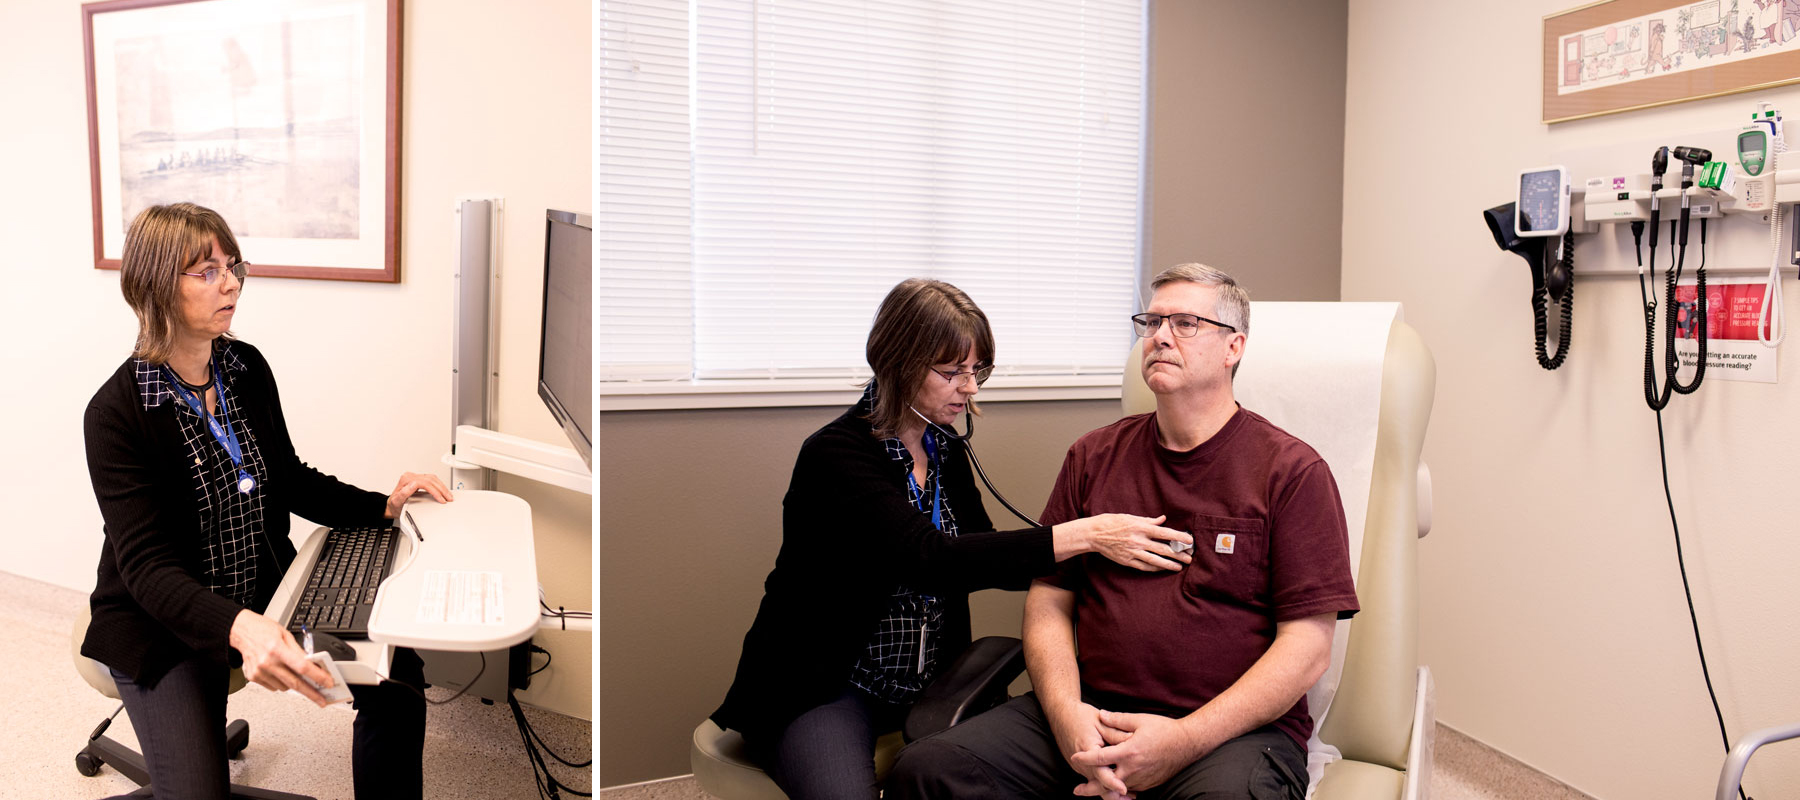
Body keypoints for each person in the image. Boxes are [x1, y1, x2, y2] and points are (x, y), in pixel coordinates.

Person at [709, 278, 1197, 800]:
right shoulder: (837, 457)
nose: (971, 389)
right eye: (952, 372)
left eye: (976, 371)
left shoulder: (944, 450)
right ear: (898, 363)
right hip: (828, 684)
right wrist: (1084, 534)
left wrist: (1114, 554)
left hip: (928, 680)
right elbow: (930, 558)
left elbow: (986, 554)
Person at [888, 263, 1360, 800]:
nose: (1158, 337)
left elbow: (1308, 646)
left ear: (1234, 348)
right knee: (927, 771)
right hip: (1091, 711)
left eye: (1185, 323)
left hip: (1226, 736)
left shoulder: (1290, 472)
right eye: (1151, 322)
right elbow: (1049, 600)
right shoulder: (1094, 455)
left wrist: (1182, 740)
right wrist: (1069, 720)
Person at [81, 202, 455, 800]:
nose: (230, 283)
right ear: (155, 287)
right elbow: (148, 571)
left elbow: (290, 478)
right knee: (200, 792)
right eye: (205, 271)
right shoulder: (116, 414)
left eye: (232, 265)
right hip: (162, 623)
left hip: (265, 593)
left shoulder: (244, 366)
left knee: (396, 679)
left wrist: (382, 504)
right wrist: (241, 629)